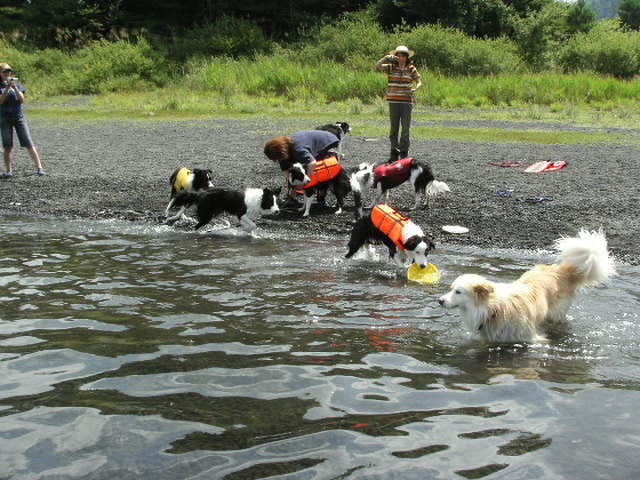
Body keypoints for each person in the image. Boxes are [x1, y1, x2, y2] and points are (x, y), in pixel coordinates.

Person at [264, 129, 339, 206]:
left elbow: (312, 163)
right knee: (294, 172)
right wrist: (292, 182)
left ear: (282, 152)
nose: (277, 160)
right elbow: (285, 170)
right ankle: (292, 198)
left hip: (328, 141)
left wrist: (304, 181)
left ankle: (321, 194)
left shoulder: (298, 149)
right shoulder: (284, 149)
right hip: (310, 141)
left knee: (318, 170)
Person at [376, 45, 421, 162]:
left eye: (403, 56)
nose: (401, 58)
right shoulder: (391, 67)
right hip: (393, 101)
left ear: (406, 57)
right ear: (395, 57)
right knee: (394, 128)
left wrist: (416, 88)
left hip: (407, 102)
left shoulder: (411, 68)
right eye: (398, 55)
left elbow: (419, 81)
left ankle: (404, 152)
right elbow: (377, 66)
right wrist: (386, 57)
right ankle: (394, 151)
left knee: (405, 128)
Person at [0, 63, 45, 178]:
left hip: (18, 117)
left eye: (9, 72)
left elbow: (21, 100)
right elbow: (1, 101)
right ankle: (9, 170)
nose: (7, 74)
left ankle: (39, 167)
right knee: (7, 146)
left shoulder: (18, 85)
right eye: (5, 72)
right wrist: (6, 89)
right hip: (5, 118)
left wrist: (14, 87)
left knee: (28, 142)